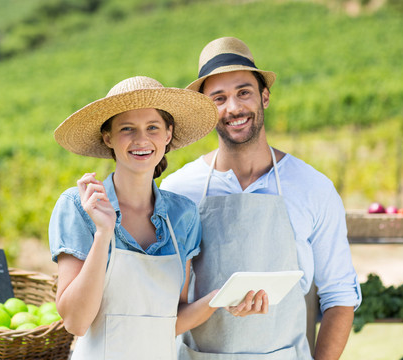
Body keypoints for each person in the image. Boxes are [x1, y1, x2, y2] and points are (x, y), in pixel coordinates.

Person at [160, 37, 362, 360]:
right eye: (219, 98)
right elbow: (162, 304)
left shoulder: (312, 188)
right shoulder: (178, 190)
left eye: (244, 92)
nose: (234, 108)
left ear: (264, 97)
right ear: (205, 110)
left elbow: (340, 297)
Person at [48, 76, 220, 360]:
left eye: (152, 127)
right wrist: (103, 233)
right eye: (127, 129)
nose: (141, 139)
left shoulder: (183, 216)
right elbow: (75, 322)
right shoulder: (79, 206)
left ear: (167, 135)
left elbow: (170, 319)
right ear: (108, 138)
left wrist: (219, 301)